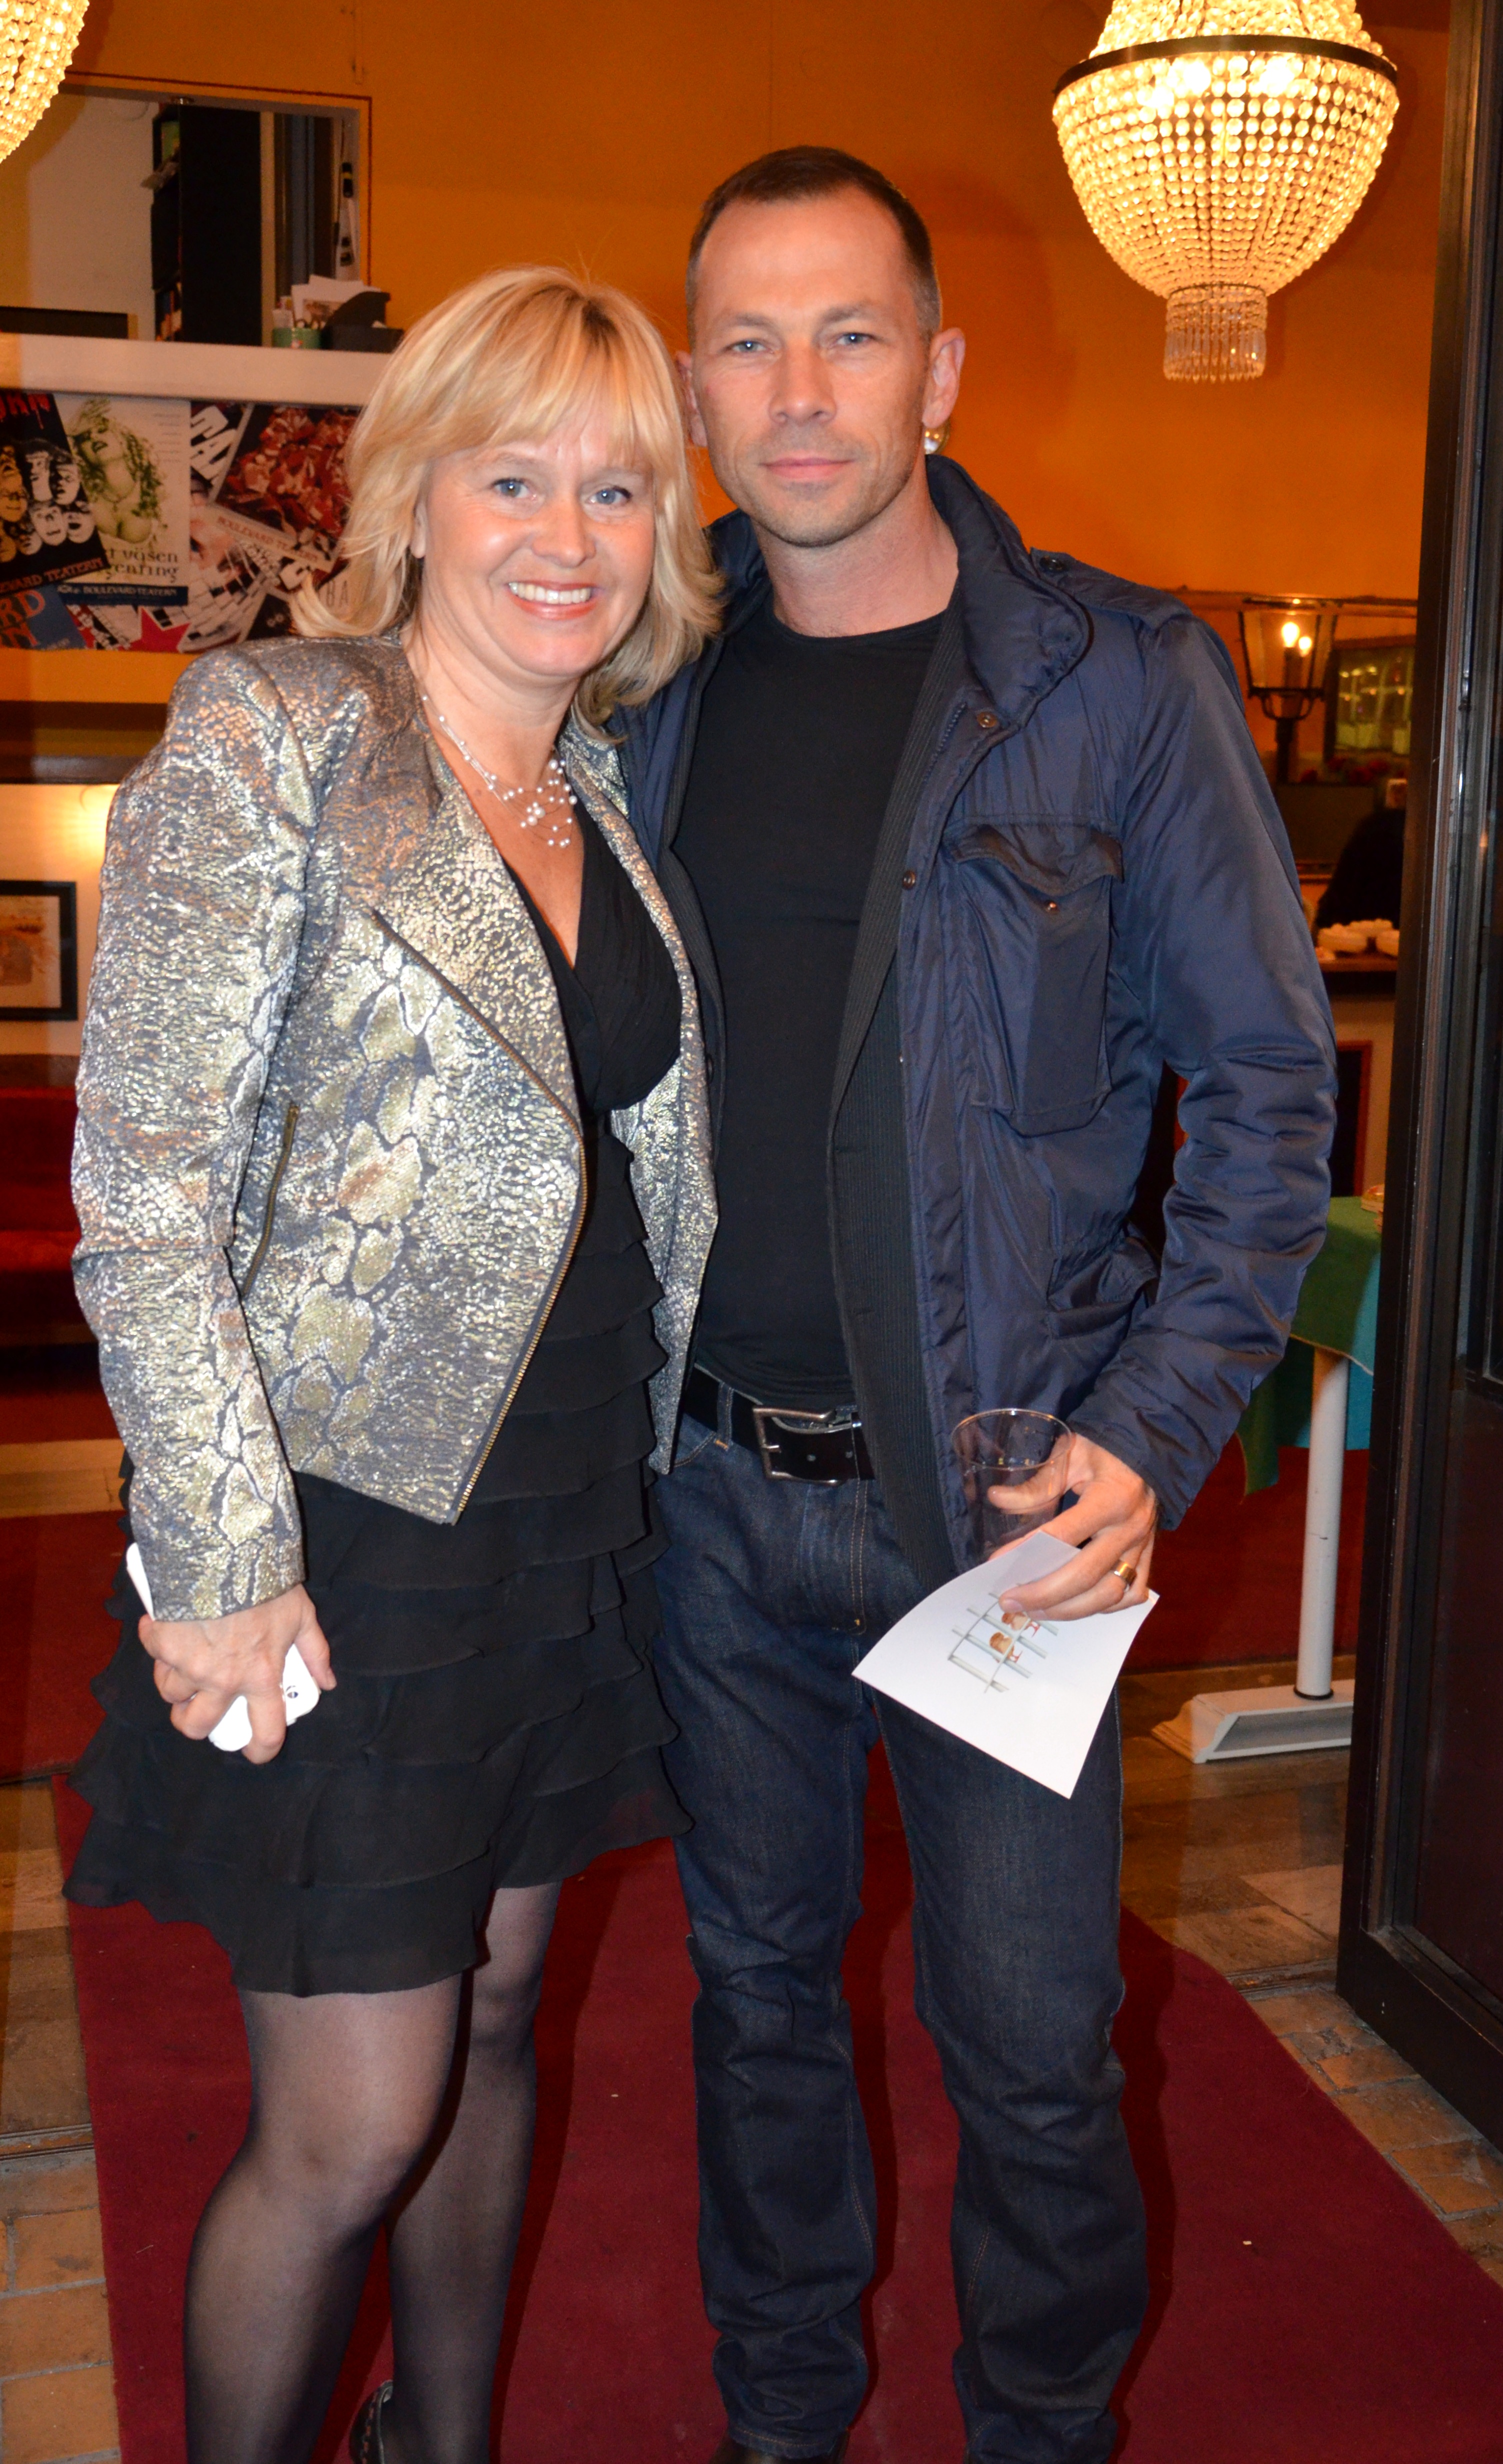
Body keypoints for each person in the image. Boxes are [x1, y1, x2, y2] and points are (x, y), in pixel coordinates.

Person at [615, 149, 1337, 2464]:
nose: (796, 391)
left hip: (1006, 1512)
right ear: (693, 385)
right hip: (707, 1496)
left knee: (1027, 2046)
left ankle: (1039, 2429)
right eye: (746, 340)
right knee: (752, 2002)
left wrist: (1154, 1418)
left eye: (846, 335)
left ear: (934, 370)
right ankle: (782, 2415)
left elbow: (1264, 1086)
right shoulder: (637, 677)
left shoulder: (1113, 681)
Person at [65, 266, 718, 2464]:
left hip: (564, 1516)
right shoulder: (281, 732)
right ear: (416, 493)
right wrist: (218, 1558)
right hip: (342, 1530)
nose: (565, 533)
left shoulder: (598, 786)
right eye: (513, 476)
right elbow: (147, 1185)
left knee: (502, 2021)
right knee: (351, 2122)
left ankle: (440, 2443)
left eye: (615, 488)